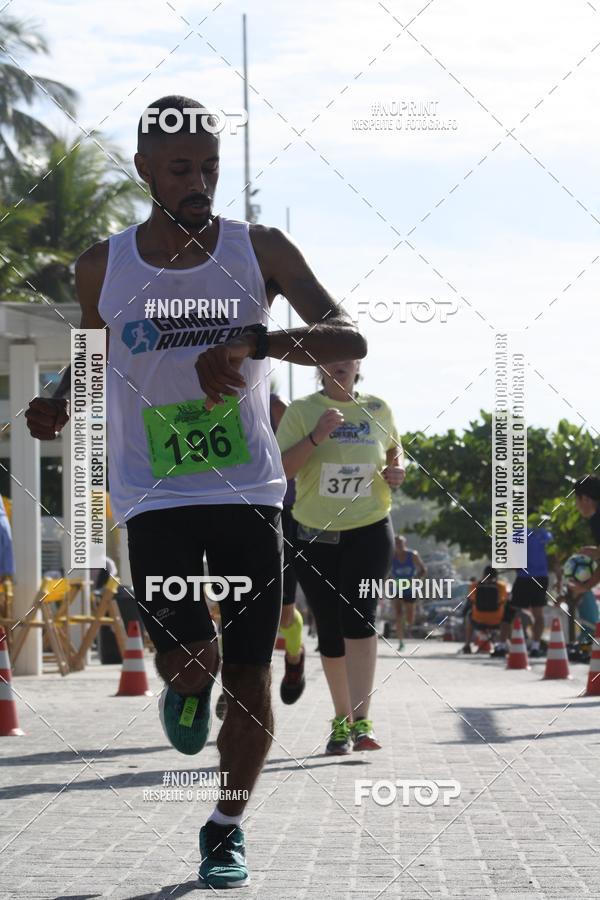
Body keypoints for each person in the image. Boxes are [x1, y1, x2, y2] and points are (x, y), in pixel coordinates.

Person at [24, 95, 366, 889]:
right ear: (145, 170)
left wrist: (253, 341)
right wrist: (62, 400)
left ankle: (225, 827)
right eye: (181, 168)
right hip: (155, 492)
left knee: (247, 677)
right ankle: (182, 685)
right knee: (191, 666)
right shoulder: (102, 265)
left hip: (248, 488)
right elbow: (92, 348)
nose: (198, 181)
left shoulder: (262, 250)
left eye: (211, 166)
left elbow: (348, 339)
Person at [276, 360, 404, 754]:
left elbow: (394, 452)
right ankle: (341, 719)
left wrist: (397, 472)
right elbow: (281, 469)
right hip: (314, 533)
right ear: (319, 366)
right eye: (332, 357)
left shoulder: (378, 408)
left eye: (349, 357)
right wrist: (315, 437)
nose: (341, 364)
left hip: (369, 527)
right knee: (330, 628)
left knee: (360, 618)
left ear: (359, 364)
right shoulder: (301, 411)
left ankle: (363, 722)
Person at [270, 392, 305, 704]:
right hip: (238, 510)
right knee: (232, 606)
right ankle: (234, 683)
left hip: (285, 513)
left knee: (283, 616)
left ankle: (294, 658)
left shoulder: (275, 406)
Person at [509, 524, 553, 657]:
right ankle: (535, 647)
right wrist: (559, 577)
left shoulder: (518, 533)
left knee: (512, 612)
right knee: (538, 614)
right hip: (541, 577)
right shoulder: (545, 534)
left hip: (524, 578)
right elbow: (553, 555)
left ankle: (515, 645)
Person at [461, 565, 509, 654]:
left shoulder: (474, 586)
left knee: (469, 615)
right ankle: (504, 643)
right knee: (508, 616)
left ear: (483, 574)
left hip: (478, 619)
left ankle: (467, 645)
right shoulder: (501, 586)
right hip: (497, 621)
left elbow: (472, 599)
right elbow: (503, 600)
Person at [390, 535, 427, 650]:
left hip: (410, 589)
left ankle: (407, 625)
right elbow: (385, 571)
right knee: (398, 614)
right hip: (396, 588)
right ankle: (401, 642)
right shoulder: (391, 556)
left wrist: (415, 579)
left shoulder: (413, 555)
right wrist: (388, 579)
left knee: (410, 618)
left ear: (405, 544)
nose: (399, 545)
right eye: (396, 543)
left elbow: (423, 570)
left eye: (400, 543)